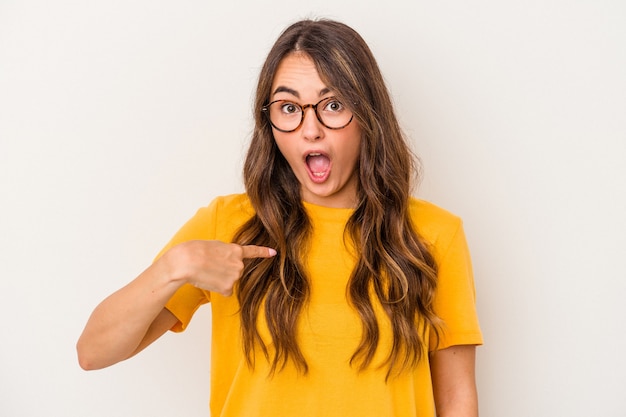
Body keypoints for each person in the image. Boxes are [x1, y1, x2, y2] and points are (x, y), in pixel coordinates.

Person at [77, 18, 483, 417]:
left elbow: (457, 400)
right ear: (269, 122)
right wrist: (174, 267)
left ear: (368, 116)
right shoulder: (227, 224)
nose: (311, 130)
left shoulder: (433, 235)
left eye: (333, 105)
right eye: (289, 108)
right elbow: (93, 353)